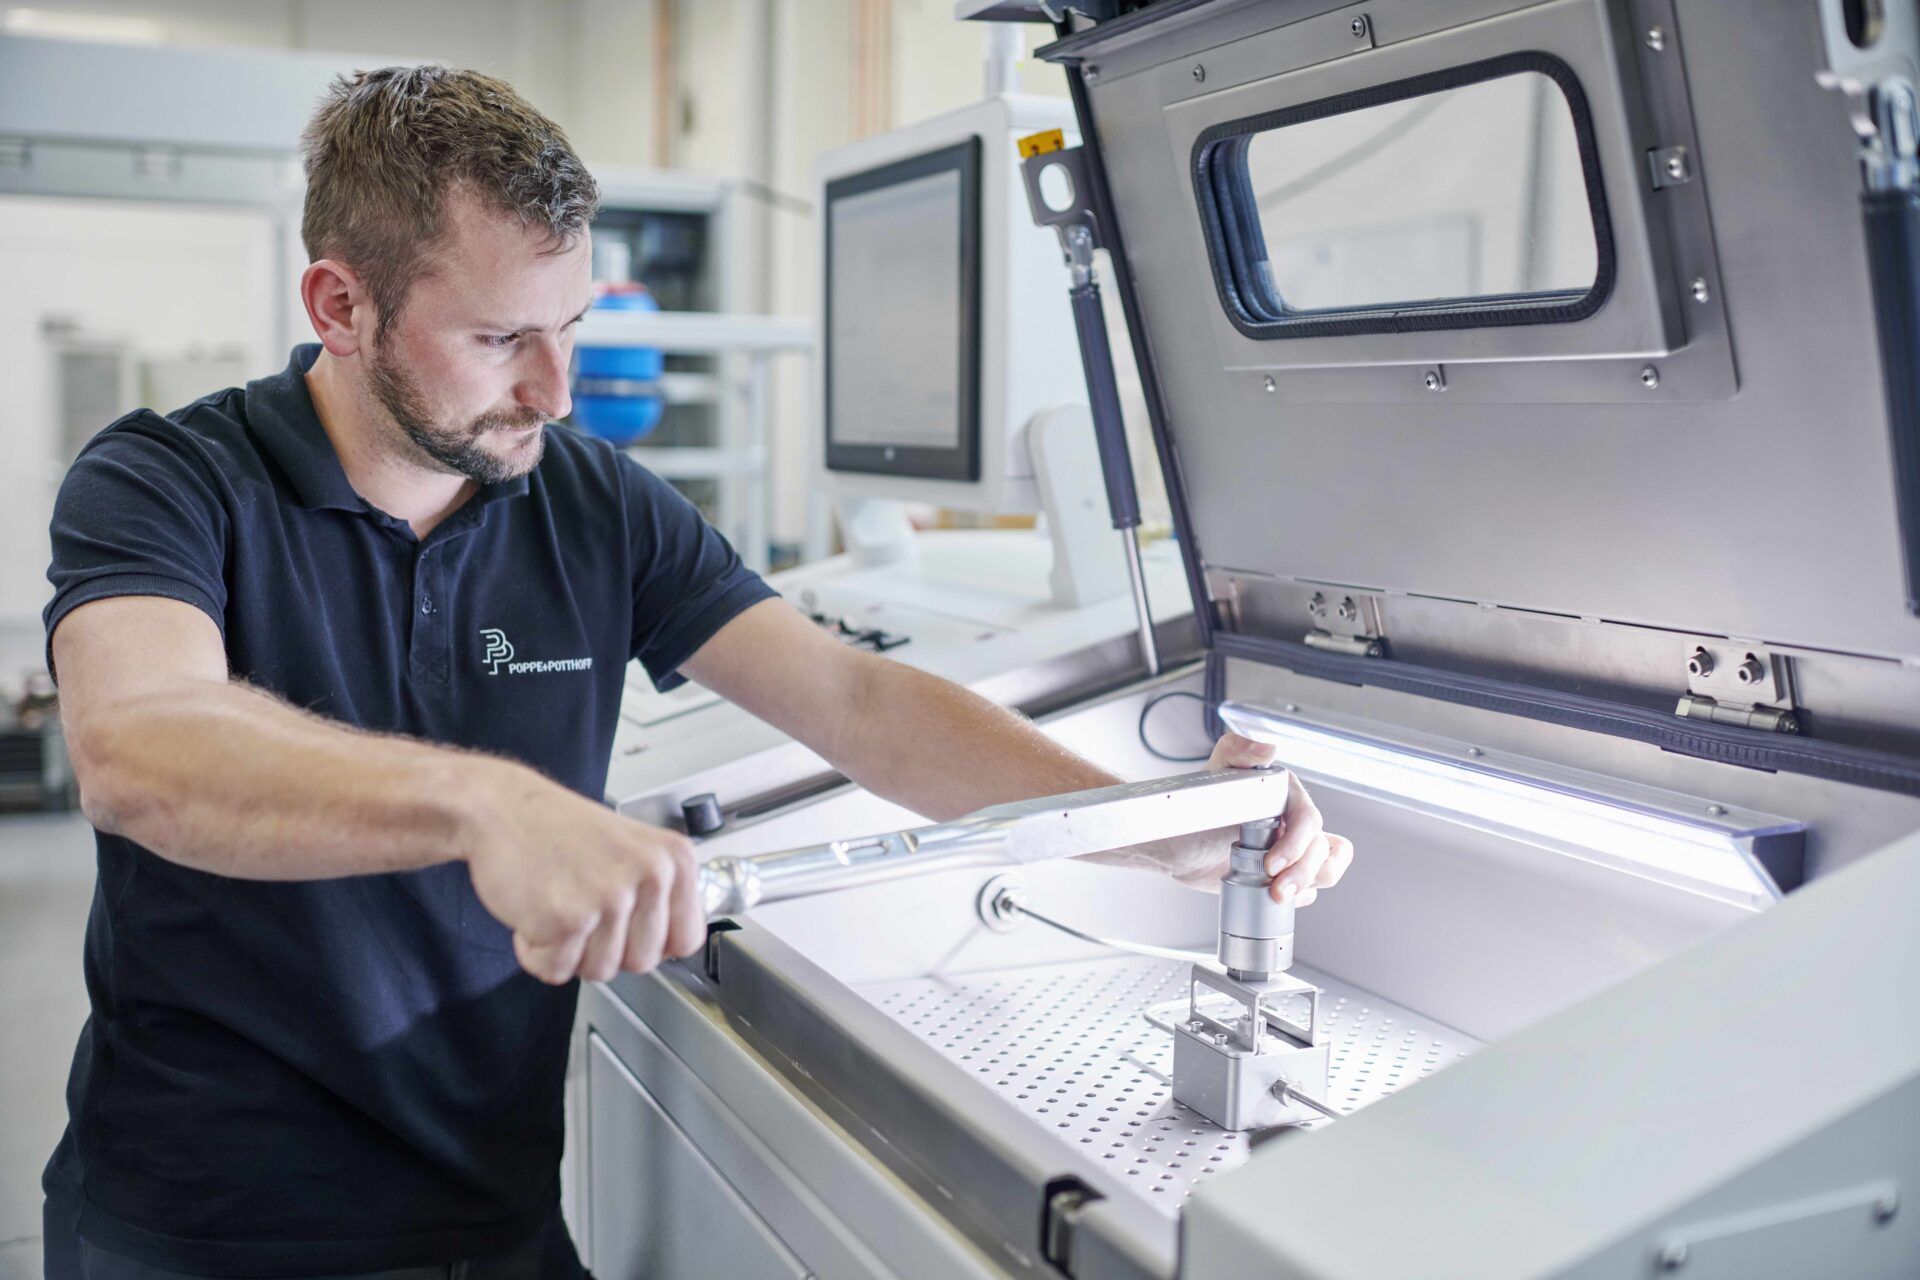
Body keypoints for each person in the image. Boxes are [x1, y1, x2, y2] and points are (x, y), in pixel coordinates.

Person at [39, 65, 1354, 1279]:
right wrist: (490, 804)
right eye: (502, 341)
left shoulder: (592, 503)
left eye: (576, 325)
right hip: (202, 1223)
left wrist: (1148, 830)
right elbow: (142, 742)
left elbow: (854, 699)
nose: (558, 392)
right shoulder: (170, 481)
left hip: (490, 1211)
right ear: (340, 303)